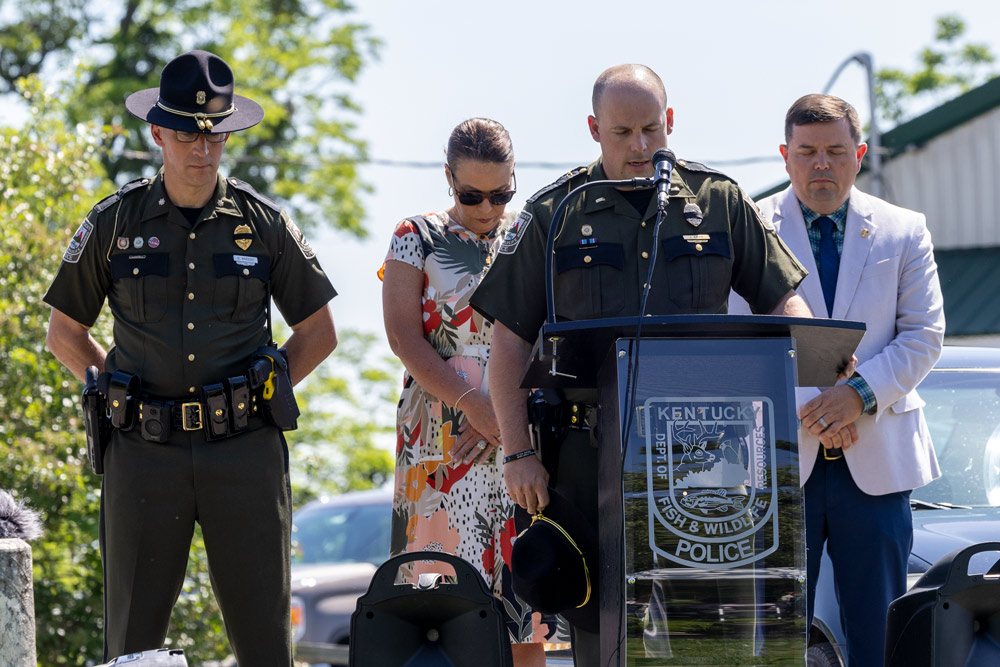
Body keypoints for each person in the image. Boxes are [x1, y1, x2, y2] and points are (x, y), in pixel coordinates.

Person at [469, 64, 813, 667]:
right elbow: (509, 341)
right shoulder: (556, 213)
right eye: (622, 131)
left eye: (651, 129)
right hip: (587, 456)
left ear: (670, 121)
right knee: (605, 636)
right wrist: (519, 451)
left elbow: (782, 298)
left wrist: (809, 335)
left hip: (706, 457)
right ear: (594, 129)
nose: (639, 145)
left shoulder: (719, 201)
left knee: (704, 631)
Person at [43, 50, 338, 664]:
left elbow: (317, 332)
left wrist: (262, 389)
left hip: (245, 456)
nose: (202, 149)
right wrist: (112, 387)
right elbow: (66, 332)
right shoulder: (114, 223)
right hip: (144, 454)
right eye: (186, 134)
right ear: (157, 133)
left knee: (264, 647)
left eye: (215, 135)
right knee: (133, 646)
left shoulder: (263, 224)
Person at [729, 94, 944, 666]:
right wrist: (822, 411)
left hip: (878, 464)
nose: (820, 164)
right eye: (807, 152)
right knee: (774, 637)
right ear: (785, 155)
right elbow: (735, 339)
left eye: (834, 151)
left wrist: (857, 397)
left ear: (860, 154)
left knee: (880, 634)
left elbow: (924, 335)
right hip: (778, 462)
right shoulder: (749, 228)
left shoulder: (904, 230)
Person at [380, 118, 552, 667]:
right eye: (471, 195)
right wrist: (471, 403)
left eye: (501, 194)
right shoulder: (416, 236)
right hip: (440, 444)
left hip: (517, 442)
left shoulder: (527, 236)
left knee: (527, 612)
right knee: (441, 610)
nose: (487, 209)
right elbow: (404, 336)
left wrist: (504, 418)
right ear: (448, 177)